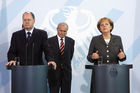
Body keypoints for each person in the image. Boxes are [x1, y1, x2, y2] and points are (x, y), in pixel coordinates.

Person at [87, 17, 126, 93]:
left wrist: (123, 56)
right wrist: (92, 56)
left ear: (111, 27)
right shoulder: (95, 39)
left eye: (106, 24)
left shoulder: (118, 39)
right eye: (101, 25)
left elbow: (122, 55)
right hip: (99, 73)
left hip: (114, 72)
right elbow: (89, 57)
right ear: (99, 28)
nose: (104, 26)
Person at [47, 22, 75, 93]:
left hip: (66, 72)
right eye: (61, 30)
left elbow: (70, 56)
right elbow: (48, 55)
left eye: (64, 31)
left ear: (67, 31)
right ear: (57, 29)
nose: (62, 32)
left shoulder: (71, 41)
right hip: (54, 72)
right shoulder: (49, 41)